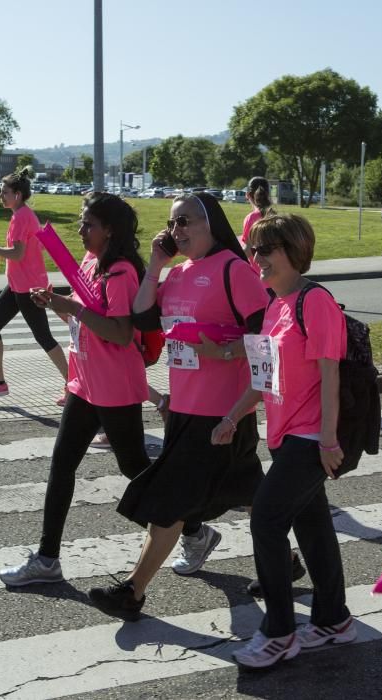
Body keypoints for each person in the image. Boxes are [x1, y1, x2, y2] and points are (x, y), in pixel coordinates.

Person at [87, 192, 269, 620]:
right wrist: (155, 264)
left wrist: (226, 356)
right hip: (186, 407)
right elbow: (144, 318)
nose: (177, 231)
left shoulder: (234, 270)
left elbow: (265, 341)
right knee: (250, 494)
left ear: (212, 225)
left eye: (186, 222)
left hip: (224, 412)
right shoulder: (181, 273)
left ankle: (132, 592)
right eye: (172, 224)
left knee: (169, 501)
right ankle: (288, 559)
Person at [212, 213, 356, 670]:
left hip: (311, 438)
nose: (257, 259)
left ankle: (279, 632)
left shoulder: (315, 302)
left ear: (294, 252)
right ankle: (333, 619)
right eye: (253, 249)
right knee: (313, 527)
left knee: (267, 521)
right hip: (283, 434)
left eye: (266, 250)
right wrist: (232, 417)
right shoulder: (275, 306)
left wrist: (329, 441)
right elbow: (263, 376)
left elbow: (330, 373)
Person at [0, 193, 151, 586]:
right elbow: (85, 308)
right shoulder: (90, 261)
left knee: (134, 468)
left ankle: (193, 529)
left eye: (88, 224)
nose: (81, 230)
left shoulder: (120, 272)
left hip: (115, 387)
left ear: (110, 230)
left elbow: (119, 332)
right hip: (84, 382)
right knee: (62, 465)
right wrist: (56, 302)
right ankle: (47, 558)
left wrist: (75, 309)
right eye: (82, 223)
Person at [0, 169, 68, 401]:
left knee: (44, 337)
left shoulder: (21, 217)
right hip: (18, 284)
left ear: (17, 194)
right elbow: (35, 247)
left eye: (5, 192)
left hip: (29, 288)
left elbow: (17, 253)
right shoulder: (24, 215)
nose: (1, 196)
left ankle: (74, 385)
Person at [240, 176, 272, 274]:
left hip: (259, 276)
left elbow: (248, 250)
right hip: (277, 277)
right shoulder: (274, 214)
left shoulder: (252, 218)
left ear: (247, 195)